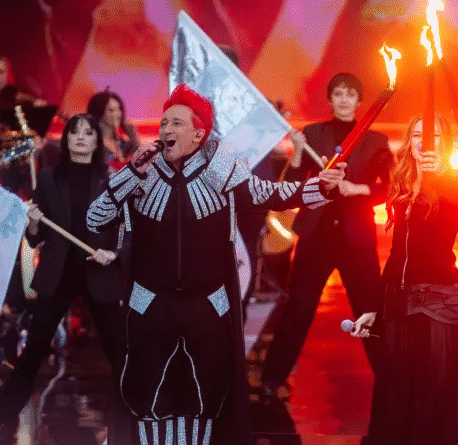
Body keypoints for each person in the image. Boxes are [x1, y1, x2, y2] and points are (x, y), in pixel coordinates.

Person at [85, 83, 346, 445]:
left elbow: (269, 194)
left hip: (207, 304)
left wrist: (320, 186)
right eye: (164, 123)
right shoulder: (142, 172)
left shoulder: (220, 168)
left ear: (198, 134)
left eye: (177, 123)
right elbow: (95, 219)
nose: (166, 129)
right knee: (145, 393)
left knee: (210, 395)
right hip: (150, 304)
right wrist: (129, 174)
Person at [259, 72, 393, 402]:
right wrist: (298, 153)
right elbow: (292, 186)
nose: (344, 100)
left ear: (359, 102)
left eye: (350, 94)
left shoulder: (375, 141)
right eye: (338, 94)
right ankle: (271, 381)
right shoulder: (312, 134)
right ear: (330, 99)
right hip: (315, 238)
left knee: (369, 312)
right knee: (298, 310)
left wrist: (358, 189)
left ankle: (392, 381)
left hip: (356, 241)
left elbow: (391, 188)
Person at [0, 114, 126, 444]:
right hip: (58, 274)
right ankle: (5, 414)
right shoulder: (47, 177)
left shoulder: (111, 180)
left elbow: (124, 230)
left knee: (119, 352)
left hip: (97, 271)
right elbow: (35, 238)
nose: (81, 137)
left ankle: (133, 413)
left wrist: (113, 254)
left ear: (97, 141)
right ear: (67, 140)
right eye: (74, 132)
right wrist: (33, 222)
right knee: (33, 351)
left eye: (88, 133)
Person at [352, 114, 458, 445]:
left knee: (434, 392)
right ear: (410, 142)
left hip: (438, 297)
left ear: (444, 144)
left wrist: (439, 178)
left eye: (433, 136)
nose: (424, 142)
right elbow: (397, 252)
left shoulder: (457, 180)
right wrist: (374, 307)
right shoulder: (402, 182)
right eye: (418, 134)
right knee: (395, 391)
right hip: (398, 297)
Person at [87, 89, 141, 171]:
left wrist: (133, 135)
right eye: (111, 110)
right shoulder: (92, 145)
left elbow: (140, 156)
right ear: (99, 113)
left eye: (119, 109)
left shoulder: (123, 144)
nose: (117, 114)